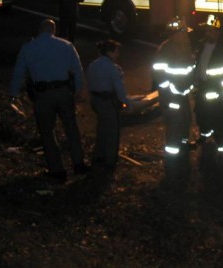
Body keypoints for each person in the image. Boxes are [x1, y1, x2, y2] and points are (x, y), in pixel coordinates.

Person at [9, 18, 90, 182]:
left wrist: (13, 93)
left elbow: (19, 72)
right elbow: (77, 69)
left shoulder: (28, 48)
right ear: (53, 30)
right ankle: (78, 163)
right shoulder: (66, 45)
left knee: (47, 131)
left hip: (43, 94)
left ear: (39, 30)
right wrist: (79, 89)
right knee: (71, 127)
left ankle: (57, 169)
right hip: (63, 92)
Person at [192, 14, 223, 154]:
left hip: (218, 92)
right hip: (202, 89)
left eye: (210, 30)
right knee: (202, 115)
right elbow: (197, 65)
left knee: (219, 120)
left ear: (218, 32)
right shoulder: (201, 45)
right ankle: (205, 138)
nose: (208, 33)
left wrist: (222, 89)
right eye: (207, 30)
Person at [152, 16, 196, 158]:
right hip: (170, 96)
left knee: (185, 120)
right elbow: (158, 73)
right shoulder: (165, 49)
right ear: (175, 34)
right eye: (183, 32)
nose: (185, 35)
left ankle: (183, 144)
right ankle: (173, 155)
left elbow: (189, 70)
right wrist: (171, 89)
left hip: (183, 94)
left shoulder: (186, 47)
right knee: (174, 123)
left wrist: (189, 86)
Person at [86, 39, 132, 169]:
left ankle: (98, 155)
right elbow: (119, 88)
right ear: (110, 52)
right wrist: (126, 103)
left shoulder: (93, 65)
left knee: (101, 128)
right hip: (108, 102)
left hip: (96, 100)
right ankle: (110, 160)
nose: (118, 54)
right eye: (117, 51)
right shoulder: (112, 68)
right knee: (112, 131)